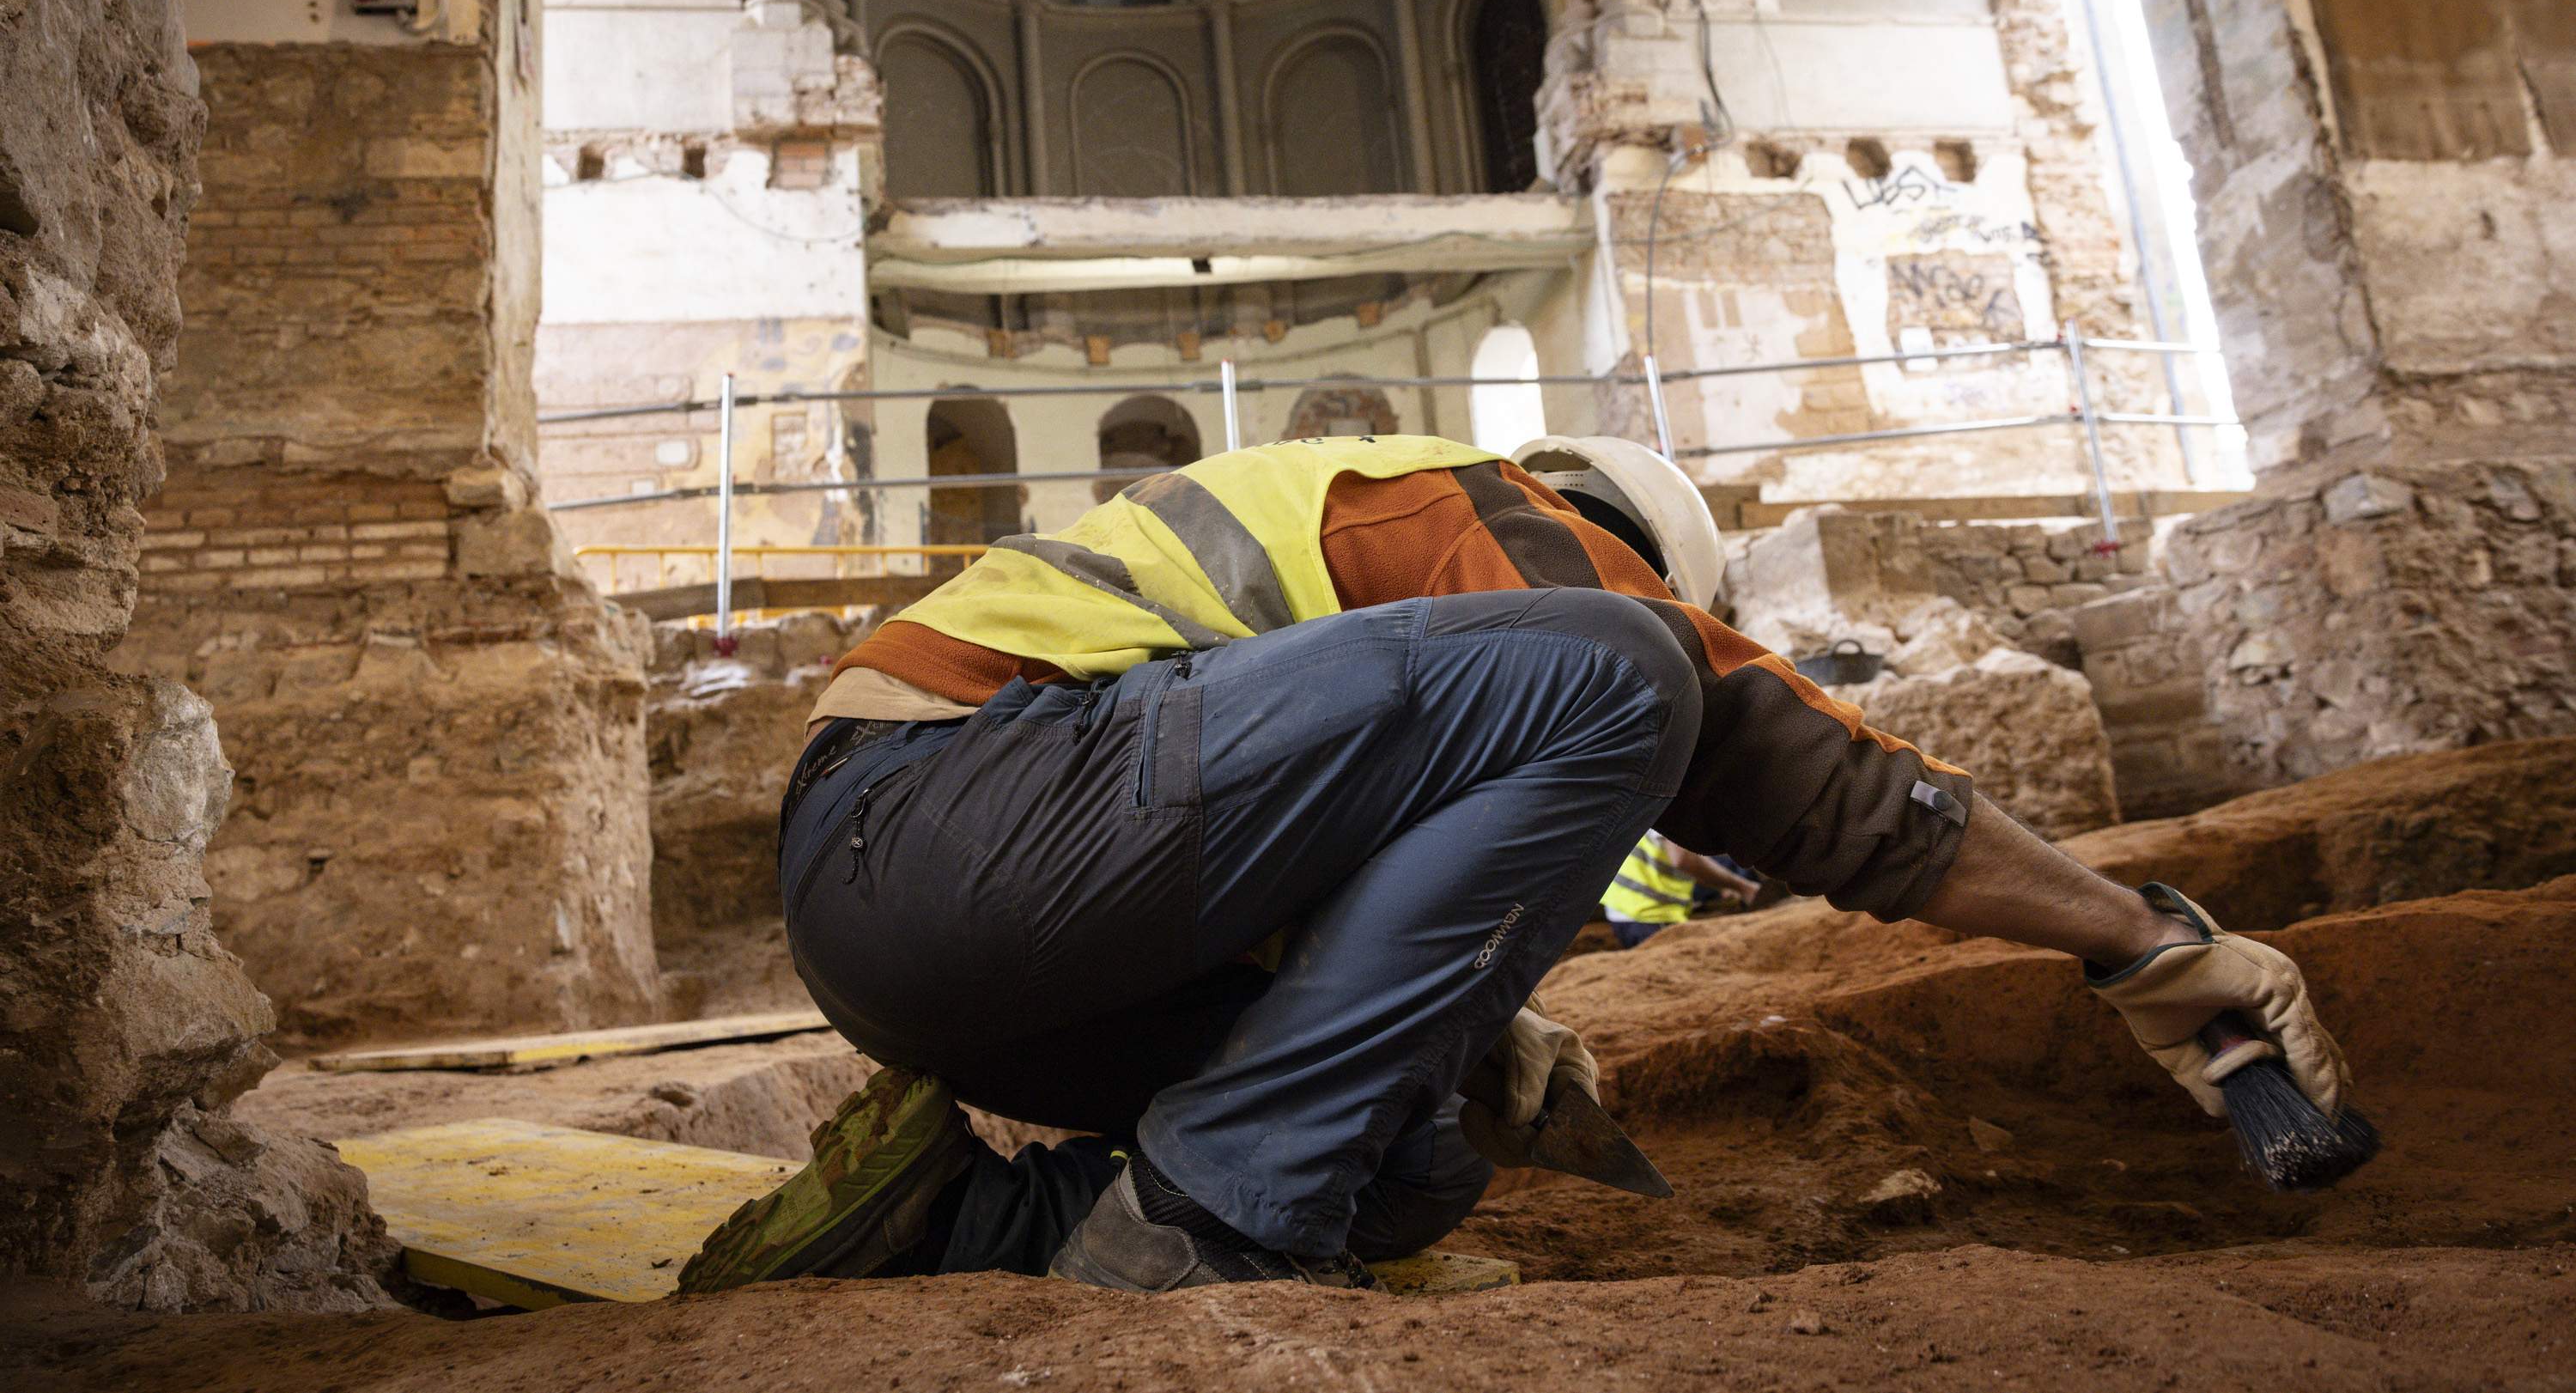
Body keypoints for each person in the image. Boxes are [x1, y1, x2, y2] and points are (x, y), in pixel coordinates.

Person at [678, 434, 2350, 1294]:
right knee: (1619, 671)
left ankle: (952, 1222)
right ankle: (1199, 1221)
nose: (1671, 626)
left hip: (966, 935)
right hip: (929, 822)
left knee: (1410, 1161)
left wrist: (1455, 1026)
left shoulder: (1382, 622)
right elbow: (1777, 759)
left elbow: (1253, 825)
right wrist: (2134, 935)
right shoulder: (1472, 508)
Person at [1601, 830, 1765, 947]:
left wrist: (1722, 887)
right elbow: (1682, 859)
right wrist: (1743, 887)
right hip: (1650, 915)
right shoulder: (1675, 801)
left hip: (1626, 910)